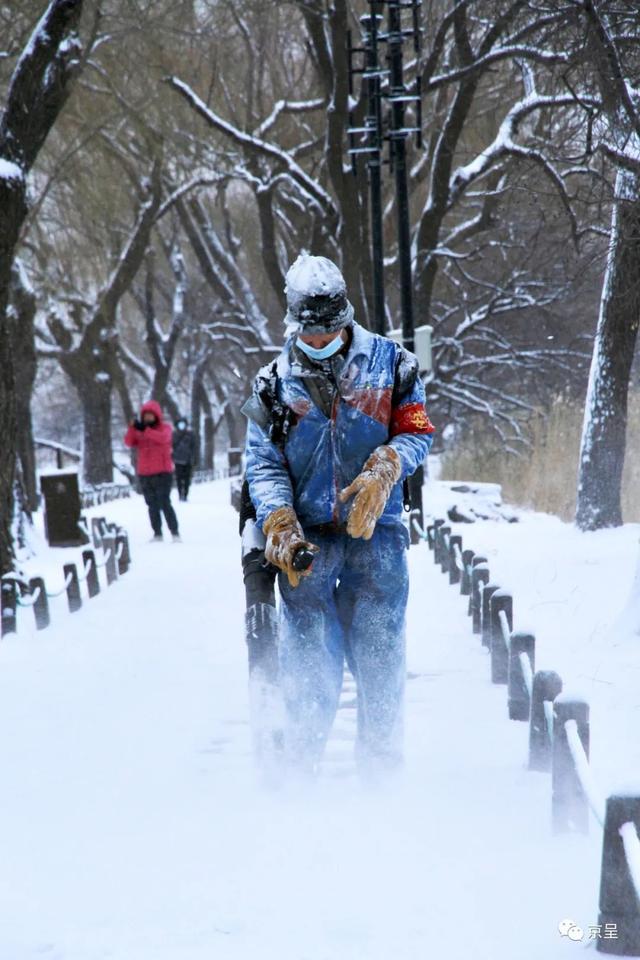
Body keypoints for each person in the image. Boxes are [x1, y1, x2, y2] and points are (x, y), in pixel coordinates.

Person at [242, 253, 435, 778]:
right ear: (294, 325)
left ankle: (380, 778)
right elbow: (263, 463)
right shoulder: (272, 385)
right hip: (308, 544)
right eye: (311, 332)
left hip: (378, 538)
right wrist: (279, 519)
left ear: (346, 317)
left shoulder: (394, 365)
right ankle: (297, 778)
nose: (321, 340)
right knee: (307, 670)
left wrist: (388, 465)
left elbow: (416, 429)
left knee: (380, 662)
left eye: (330, 330)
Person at [124, 400, 181, 542]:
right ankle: (157, 533)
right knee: (151, 505)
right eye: (145, 416)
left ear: (156, 416)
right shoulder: (140, 431)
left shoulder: (165, 428)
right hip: (145, 473)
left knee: (164, 502)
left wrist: (145, 430)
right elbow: (129, 442)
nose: (148, 418)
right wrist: (132, 428)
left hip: (163, 472)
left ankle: (174, 532)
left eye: (150, 415)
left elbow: (163, 438)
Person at [172, 417, 196, 501]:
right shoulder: (174, 435)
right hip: (177, 460)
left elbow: (193, 447)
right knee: (179, 478)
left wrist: (193, 457)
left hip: (187, 460)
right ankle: (180, 494)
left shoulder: (190, 434)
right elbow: (172, 446)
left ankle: (185, 494)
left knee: (187, 478)